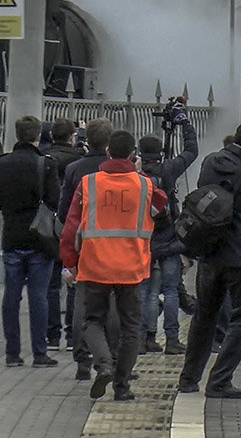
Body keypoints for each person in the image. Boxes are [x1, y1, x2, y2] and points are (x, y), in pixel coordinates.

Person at [59, 130, 165, 401]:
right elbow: (162, 208)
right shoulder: (145, 185)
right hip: (131, 268)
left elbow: (71, 227)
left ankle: (103, 365)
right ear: (133, 155)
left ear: (107, 152)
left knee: (91, 321)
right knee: (131, 328)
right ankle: (122, 386)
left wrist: (70, 263)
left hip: (94, 265)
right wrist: (139, 173)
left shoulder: (88, 183)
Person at [178, 121, 241, 399]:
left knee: (204, 316)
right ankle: (219, 381)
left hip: (210, 252)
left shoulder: (210, 162)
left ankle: (188, 379)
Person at [0, 115, 61, 369]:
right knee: (39, 296)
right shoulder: (45, 165)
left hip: (12, 237)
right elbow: (55, 201)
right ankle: (39, 352)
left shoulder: (2, 164)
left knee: (11, 296)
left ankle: (13, 353)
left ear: (17, 135)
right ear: (38, 136)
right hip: (39, 238)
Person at [138, 102, 198, 355]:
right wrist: (183, 122)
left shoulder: (135, 176)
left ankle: (146, 337)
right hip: (170, 238)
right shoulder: (169, 169)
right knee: (171, 290)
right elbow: (191, 150)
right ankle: (172, 339)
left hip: (144, 239)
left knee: (148, 291)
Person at [58, 117, 116, 380]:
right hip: (116, 246)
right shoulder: (117, 170)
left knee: (83, 303)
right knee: (113, 305)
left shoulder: (74, 169)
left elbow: (64, 212)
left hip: (85, 246)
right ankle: (111, 358)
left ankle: (82, 359)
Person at [44, 118, 83, 351]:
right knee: (73, 280)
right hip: (73, 226)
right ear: (71, 137)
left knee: (51, 285)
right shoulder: (78, 162)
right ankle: (71, 335)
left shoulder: (45, 159)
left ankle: (52, 336)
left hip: (50, 225)